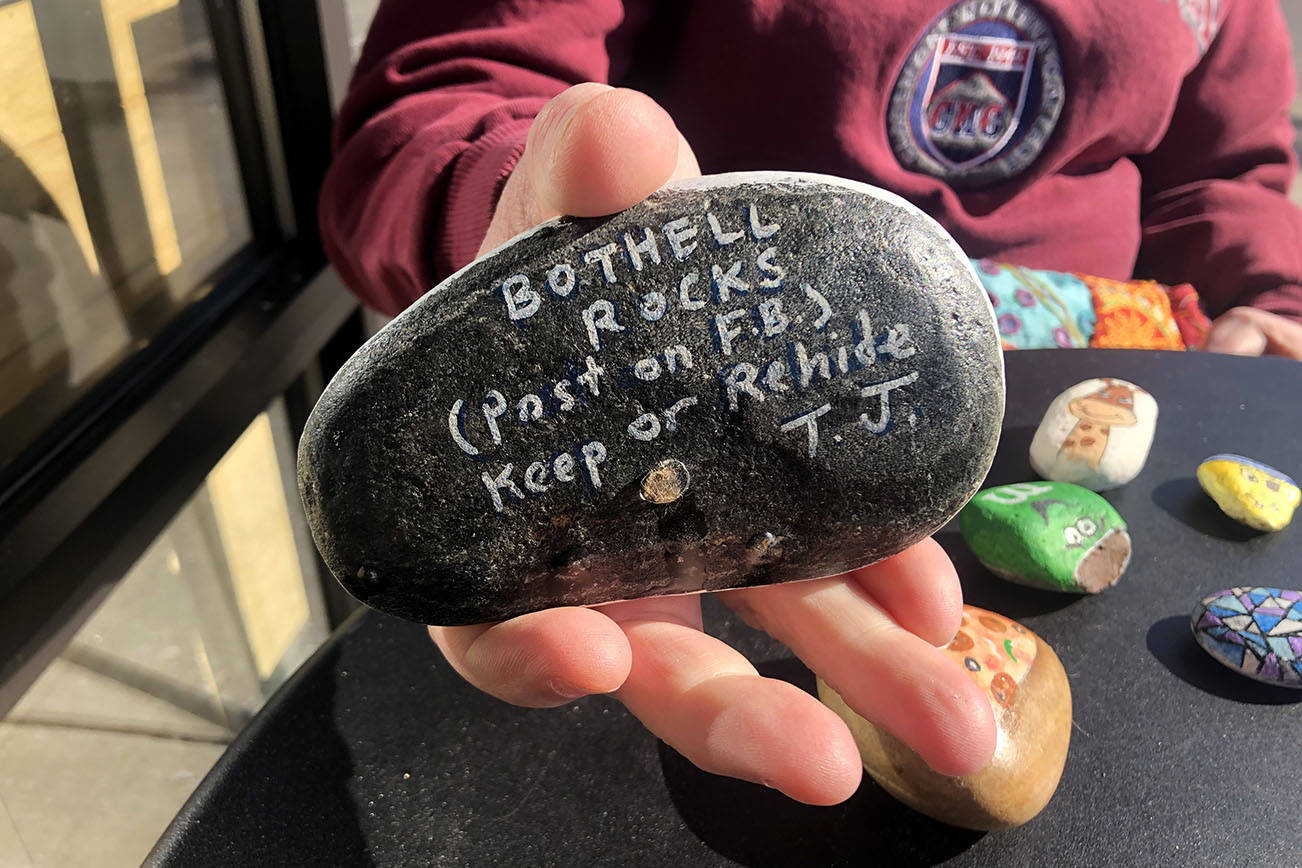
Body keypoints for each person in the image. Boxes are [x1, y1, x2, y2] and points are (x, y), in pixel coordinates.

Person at [319, 0, 1302, 804]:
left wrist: (1267, 294)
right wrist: (530, 269)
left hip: (1105, 388)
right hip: (716, 392)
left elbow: (1226, 170)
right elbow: (433, 100)